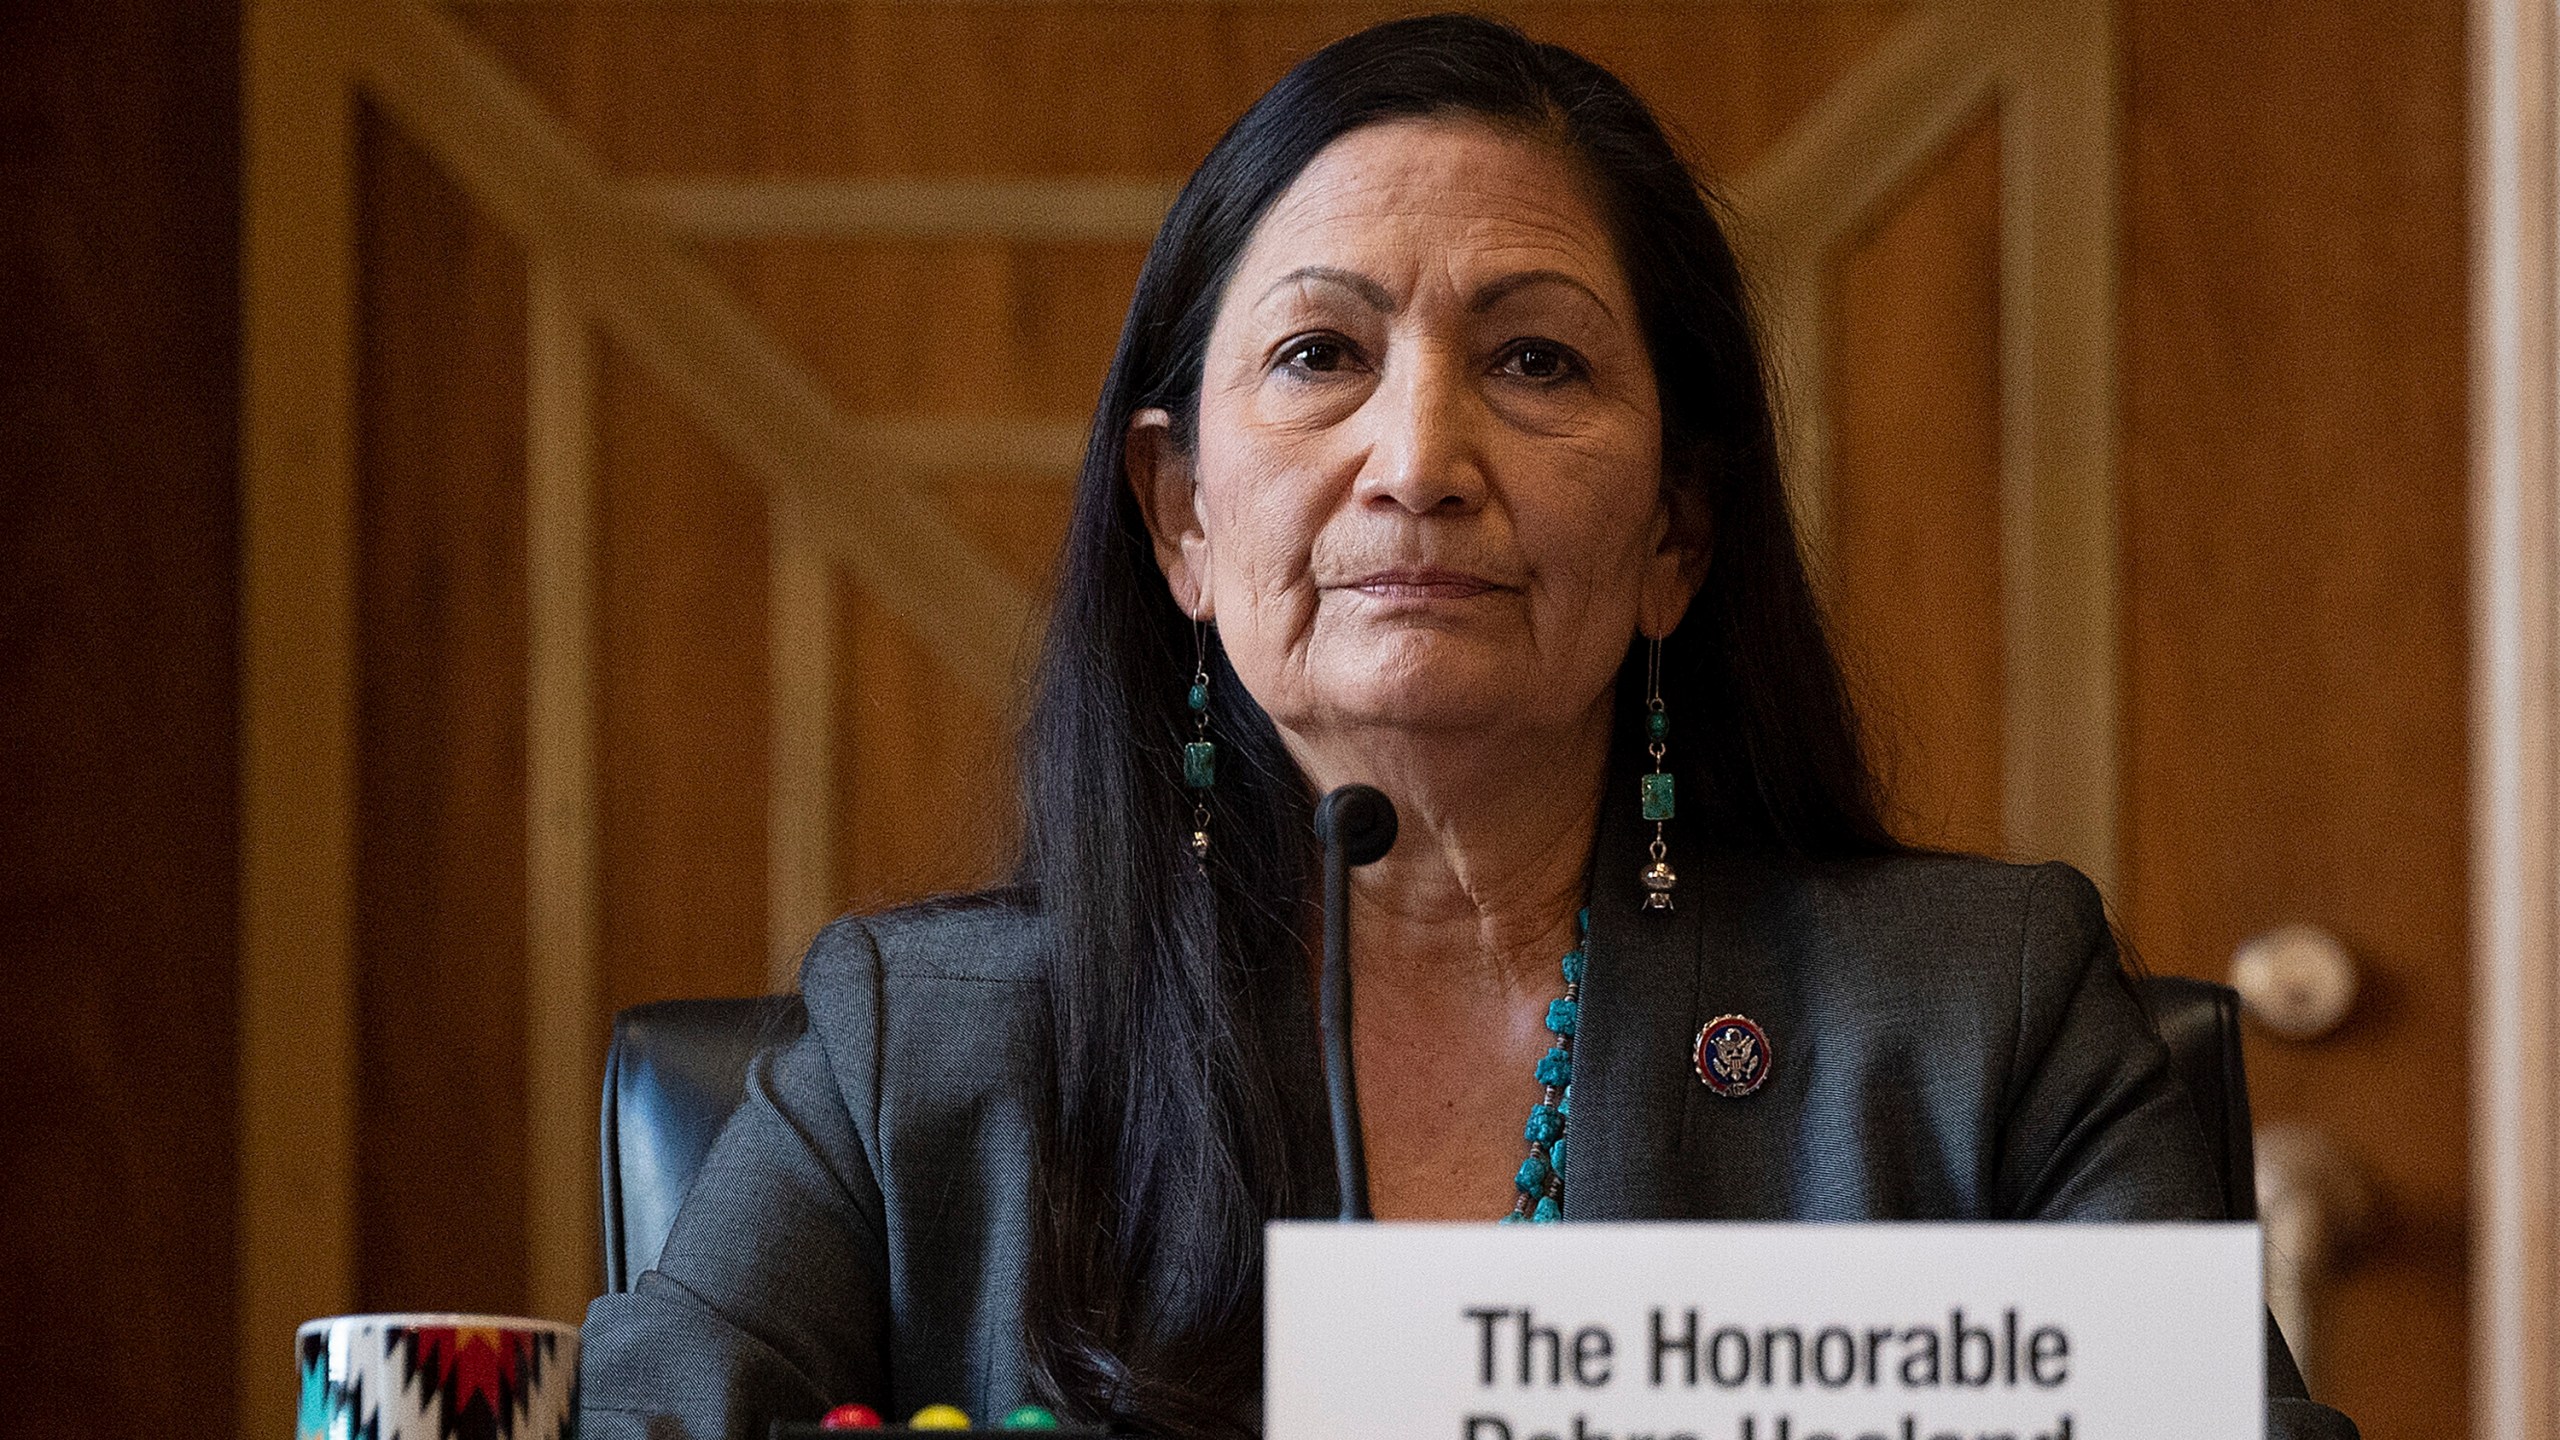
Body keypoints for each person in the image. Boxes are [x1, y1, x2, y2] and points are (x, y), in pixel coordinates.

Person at [577, 15, 2356, 1440]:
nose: (1419, 463)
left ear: (1676, 536)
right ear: (1183, 515)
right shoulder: (919, 1062)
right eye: (1317, 357)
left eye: (1536, 362)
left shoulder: (1983, 1025)